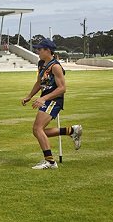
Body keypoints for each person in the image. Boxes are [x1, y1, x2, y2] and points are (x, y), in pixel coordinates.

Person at [22, 39, 82, 169]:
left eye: (40, 49)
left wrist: (44, 99)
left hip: (54, 100)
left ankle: (50, 162)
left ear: (48, 50)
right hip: (47, 98)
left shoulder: (55, 67)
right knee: (39, 131)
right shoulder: (41, 63)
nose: (37, 51)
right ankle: (72, 130)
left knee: (37, 129)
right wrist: (29, 96)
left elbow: (62, 88)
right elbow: (39, 82)